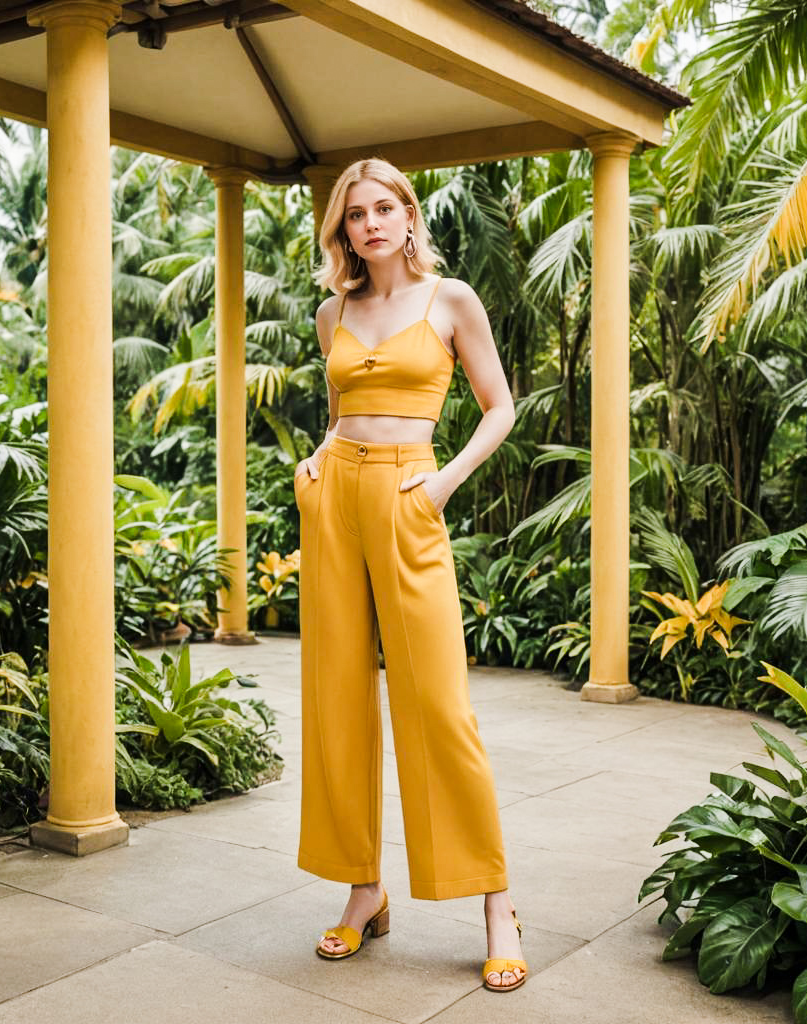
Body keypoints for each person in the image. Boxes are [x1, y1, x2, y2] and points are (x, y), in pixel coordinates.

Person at [292, 158, 526, 993]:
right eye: (355, 214)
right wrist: (316, 463)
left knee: (438, 702)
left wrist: (442, 483)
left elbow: (500, 406)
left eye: (384, 207)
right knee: (339, 697)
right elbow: (340, 416)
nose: (371, 224)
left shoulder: (451, 299)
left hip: (410, 491)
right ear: (342, 229)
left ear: (408, 214)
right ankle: (365, 888)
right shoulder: (334, 312)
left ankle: (496, 903)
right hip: (337, 497)